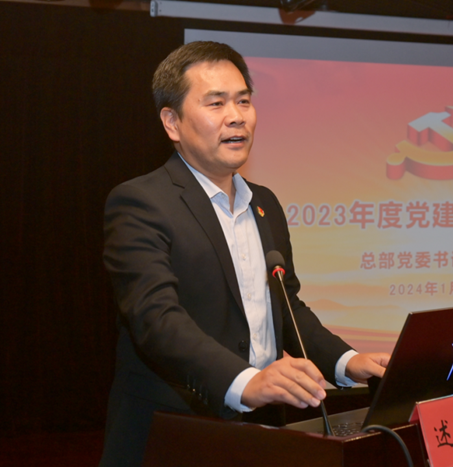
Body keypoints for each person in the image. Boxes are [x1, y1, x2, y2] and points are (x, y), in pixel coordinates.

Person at [99, 41, 390, 467]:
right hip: (171, 432)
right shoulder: (141, 203)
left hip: (262, 430)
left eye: (244, 101)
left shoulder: (264, 203)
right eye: (216, 103)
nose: (236, 116)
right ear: (172, 122)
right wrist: (244, 381)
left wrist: (347, 361)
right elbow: (155, 319)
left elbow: (286, 307)